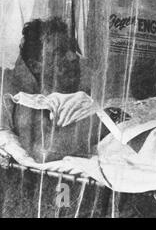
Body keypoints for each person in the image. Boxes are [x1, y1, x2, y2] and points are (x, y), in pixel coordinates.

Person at [0, 18, 99, 165]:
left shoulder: (93, 95)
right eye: (60, 52)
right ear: (36, 66)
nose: (73, 57)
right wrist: (105, 121)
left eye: (72, 49)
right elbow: (43, 150)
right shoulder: (32, 102)